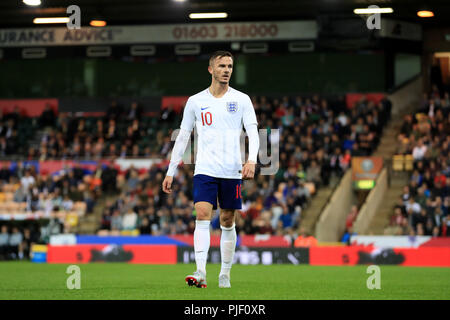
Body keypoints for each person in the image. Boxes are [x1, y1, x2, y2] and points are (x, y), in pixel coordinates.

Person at [162, 51, 259, 289]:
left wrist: (252, 159)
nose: (227, 70)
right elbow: (183, 137)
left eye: (230, 66)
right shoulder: (196, 101)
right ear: (210, 70)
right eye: (222, 66)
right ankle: (201, 271)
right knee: (203, 215)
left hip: (232, 170)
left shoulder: (242, 99)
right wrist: (170, 170)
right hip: (204, 169)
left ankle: (225, 273)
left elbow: (254, 131)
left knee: (227, 220)